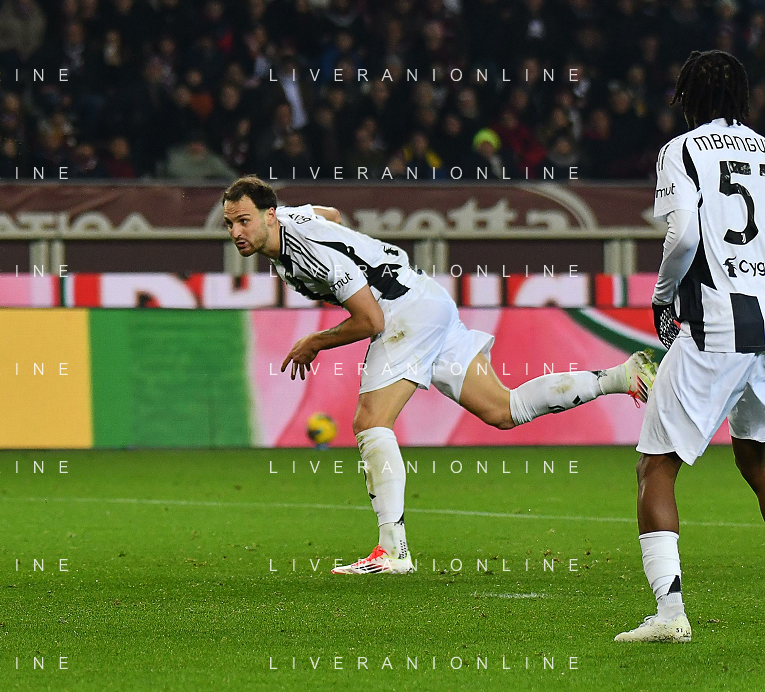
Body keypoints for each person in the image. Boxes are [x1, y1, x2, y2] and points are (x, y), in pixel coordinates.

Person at [221, 175, 657, 574]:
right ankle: (621, 377)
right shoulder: (291, 219)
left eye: (244, 221)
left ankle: (392, 551)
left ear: (270, 215)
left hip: (403, 311)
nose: (236, 232)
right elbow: (330, 215)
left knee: (371, 421)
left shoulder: (309, 254)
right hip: (426, 298)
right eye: (229, 224)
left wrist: (314, 341)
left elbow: (370, 320)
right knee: (504, 410)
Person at [621, 50, 765, 643]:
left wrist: (662, 297)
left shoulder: (680, 151)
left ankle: (669, 614)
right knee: (757, 456)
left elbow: (681, 236)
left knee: (656, 464)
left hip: (718, 322)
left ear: (687, 97)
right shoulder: (764, 149)